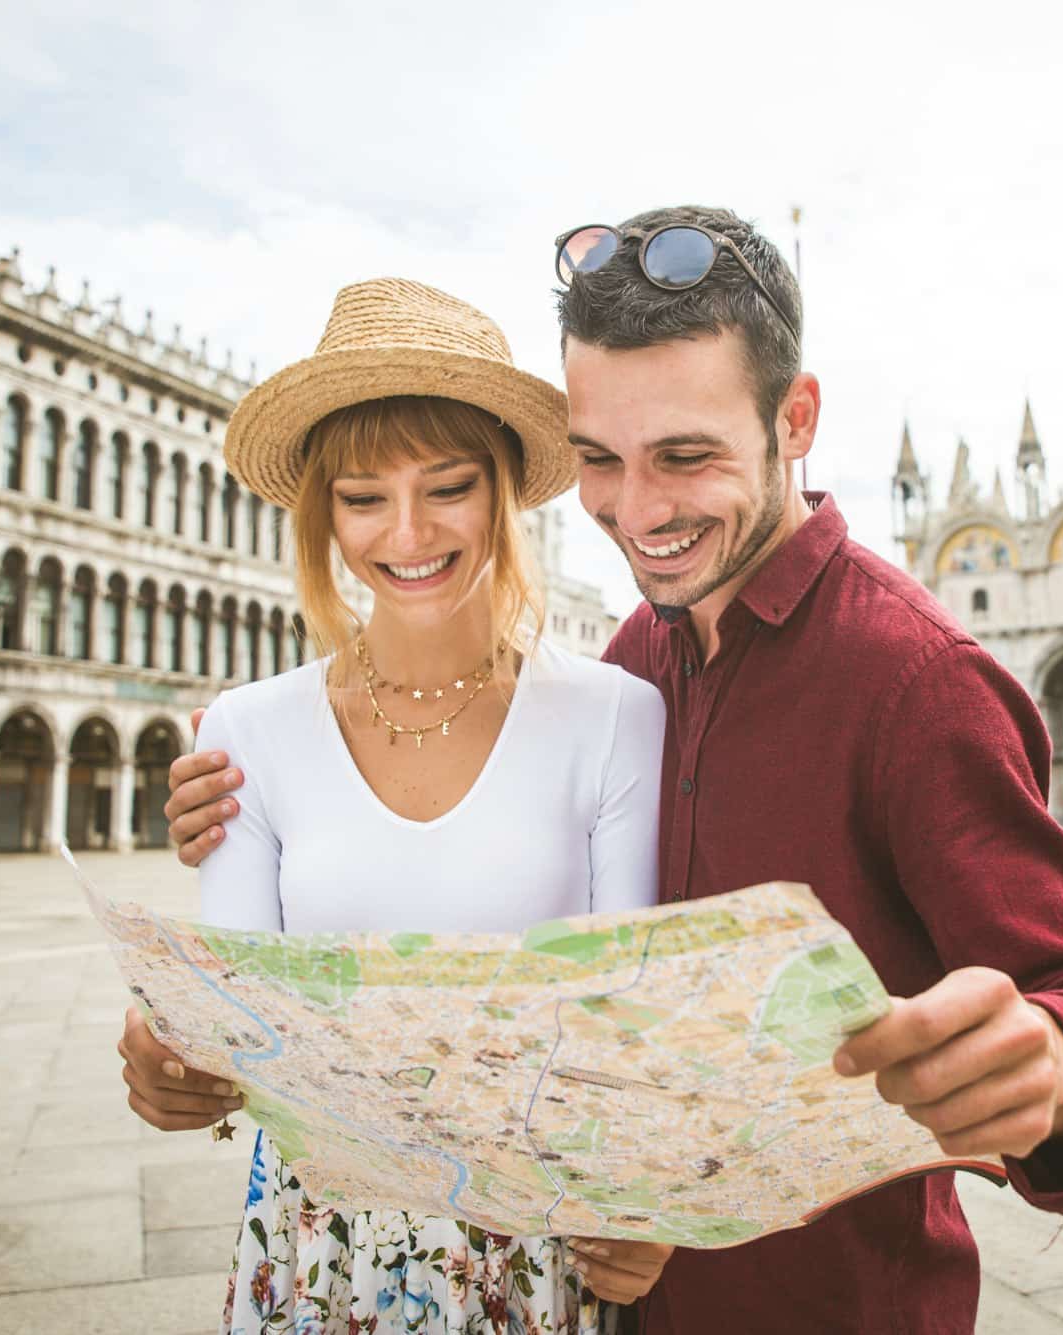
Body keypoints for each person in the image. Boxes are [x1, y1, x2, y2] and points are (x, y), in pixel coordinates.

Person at [162, 208, 1063, 1334]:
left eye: (685, 457)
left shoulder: (913, 681)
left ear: (794, 420)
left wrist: (1057, 1065)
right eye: (599, 461)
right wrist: (259, 790)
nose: (636, 514)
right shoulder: (640, 653)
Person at [115, 278, 675, 1333]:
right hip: (318, 1245)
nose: (404, 532)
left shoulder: (614, 714)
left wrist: (642, 1212)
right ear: (322, 512)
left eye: (447, 486)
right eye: (362, 496)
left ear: (506, 490)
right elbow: (244, 1021)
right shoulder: (246, 728)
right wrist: (170, 1046)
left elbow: (621, 1020)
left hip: (533, 1246)